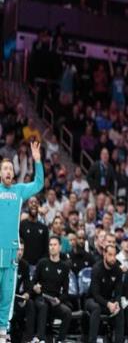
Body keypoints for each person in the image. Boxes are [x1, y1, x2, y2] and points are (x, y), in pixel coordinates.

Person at [0, 141, 43, 343]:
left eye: (10, 168)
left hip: (12, 251)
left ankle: (2, 331)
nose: (8, 171)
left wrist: (38, 161)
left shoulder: (19, 191)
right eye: (4, 169)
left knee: (7, 296)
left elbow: (39, 184)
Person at [33, 236, 72, 342]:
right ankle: (40, 338)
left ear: (60, 247)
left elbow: (66, 292)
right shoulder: (42, 263)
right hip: (41, 297)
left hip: (54, 300)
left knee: (67, 312)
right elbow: (33, 282)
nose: (52, 247)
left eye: (55, 245)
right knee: (43, 306)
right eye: (50, 245)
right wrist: (35, 287)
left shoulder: (64, 267)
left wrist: (59, 300)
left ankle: (60, 340)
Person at [85, 245, 124, 343]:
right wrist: (108, 304)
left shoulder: (118, 270)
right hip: (92, 299)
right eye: (110, 255)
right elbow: (95, 294)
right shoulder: (97, 269)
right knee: (96, 308)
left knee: (120, 309)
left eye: (114, 255)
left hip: (108, 300)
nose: (113, 258)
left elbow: (118, 292)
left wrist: (116, 303)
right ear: (104, 254)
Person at [10, 241, 35, 343]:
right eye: (18, 249)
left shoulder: (24, 265)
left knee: (30, 303)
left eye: (22, 250)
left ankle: (28, 339)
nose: (20, 252)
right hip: (4, 296)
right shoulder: (6, 263)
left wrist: (27, 294)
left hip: (16, 297)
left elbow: (28, 284)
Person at [19, 196, 49, 267]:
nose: (33, 204)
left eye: (36, 202)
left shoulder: (44, 228)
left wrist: (41, 264)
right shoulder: (21, 225)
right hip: (24, 265)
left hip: (39, 266)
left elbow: (46, 250)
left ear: (38, 206)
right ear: (27, 206)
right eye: (31, 202)